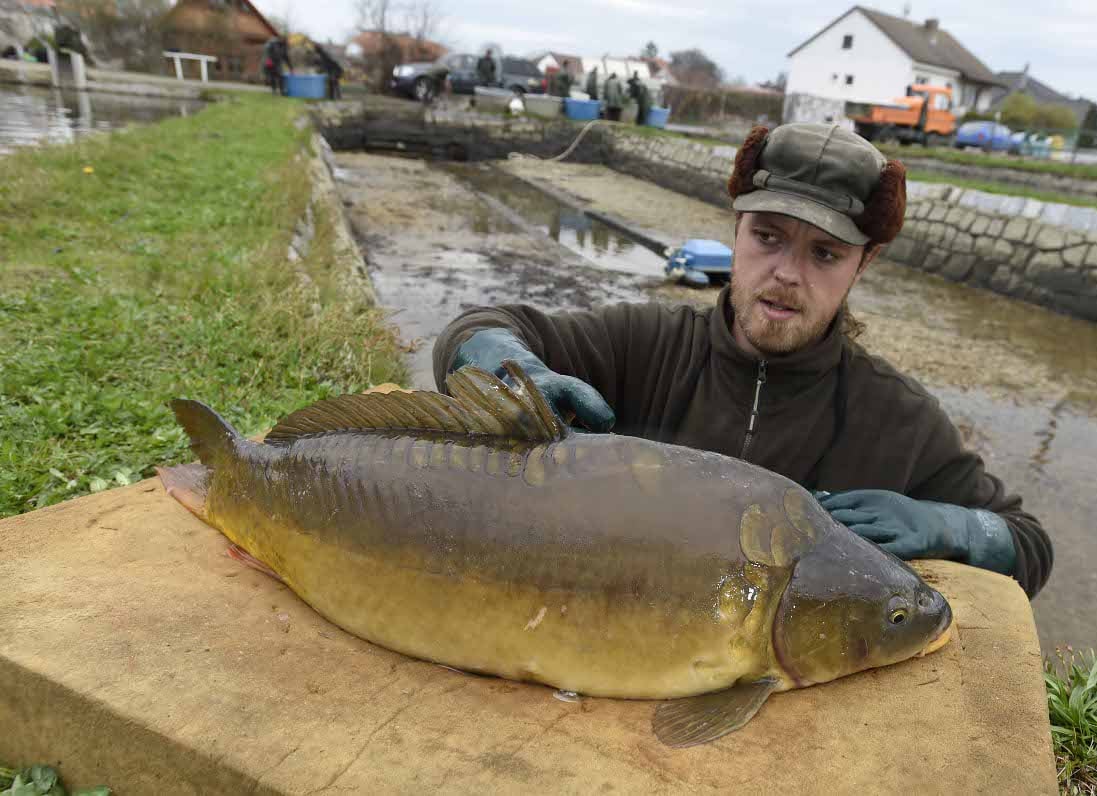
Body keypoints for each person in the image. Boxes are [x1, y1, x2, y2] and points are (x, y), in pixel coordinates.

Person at [431, 123, 1053, 599]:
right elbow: (475, 329)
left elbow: (1028, 547)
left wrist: (951, 528)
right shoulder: (643, 343)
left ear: (865, 264)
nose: (786, 274)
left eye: (826, 254)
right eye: (768, 237)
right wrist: (517, 371)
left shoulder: (899, 419)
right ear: (736, 230)